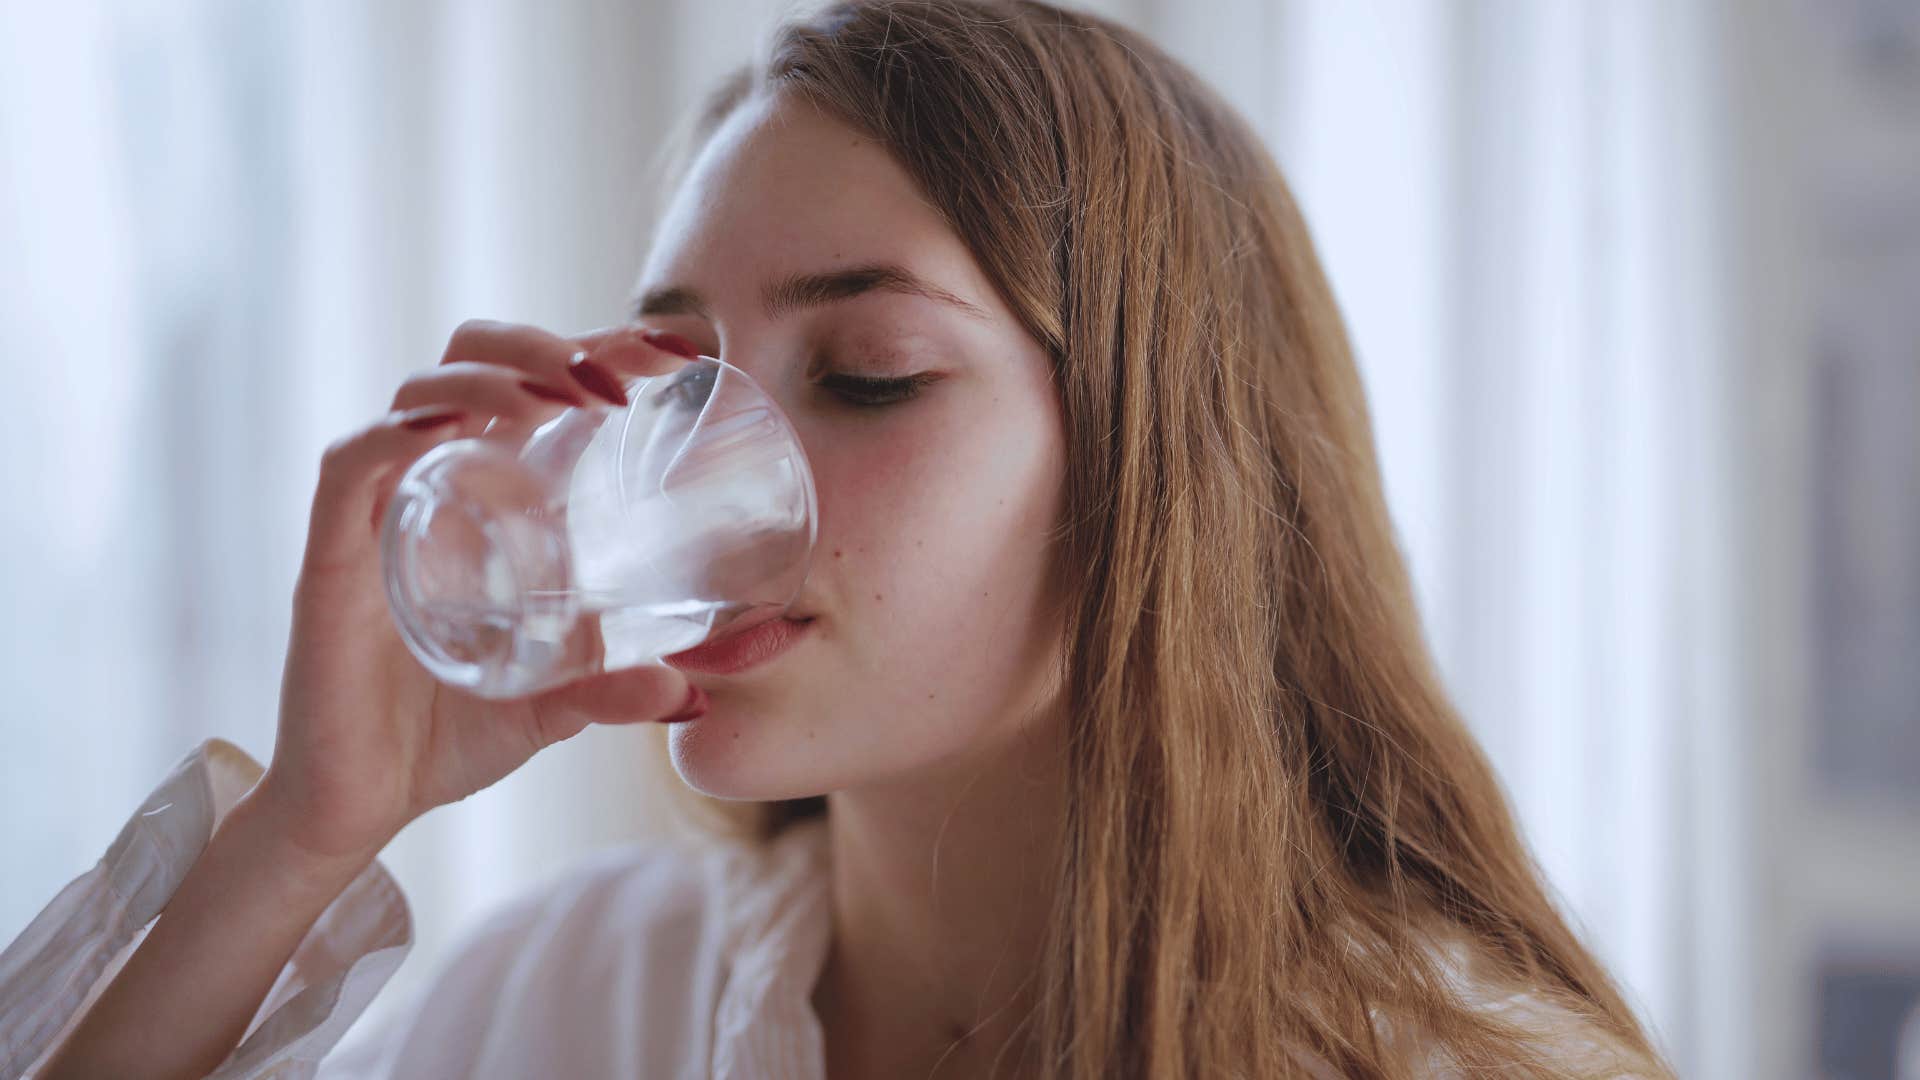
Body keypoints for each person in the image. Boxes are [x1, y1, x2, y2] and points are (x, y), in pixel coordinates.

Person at [1, 0, 1678, 1076]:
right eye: (677, 383)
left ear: (1158, 473)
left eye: (866, 376)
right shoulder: (583, 998)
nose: (699, 488)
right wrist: (303, 832)